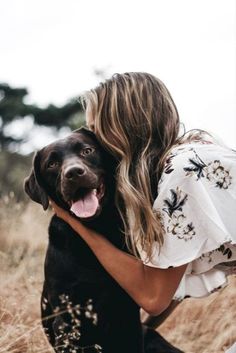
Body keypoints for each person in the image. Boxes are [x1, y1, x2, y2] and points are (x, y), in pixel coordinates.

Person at [50, 72, 236, 329]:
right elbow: (172, 273)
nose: (94, 139)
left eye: (96, 129)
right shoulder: (195, 149)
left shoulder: (182, 171)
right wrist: (143, 334)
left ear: (124, 126)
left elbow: (153, 296)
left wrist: (75, 223)